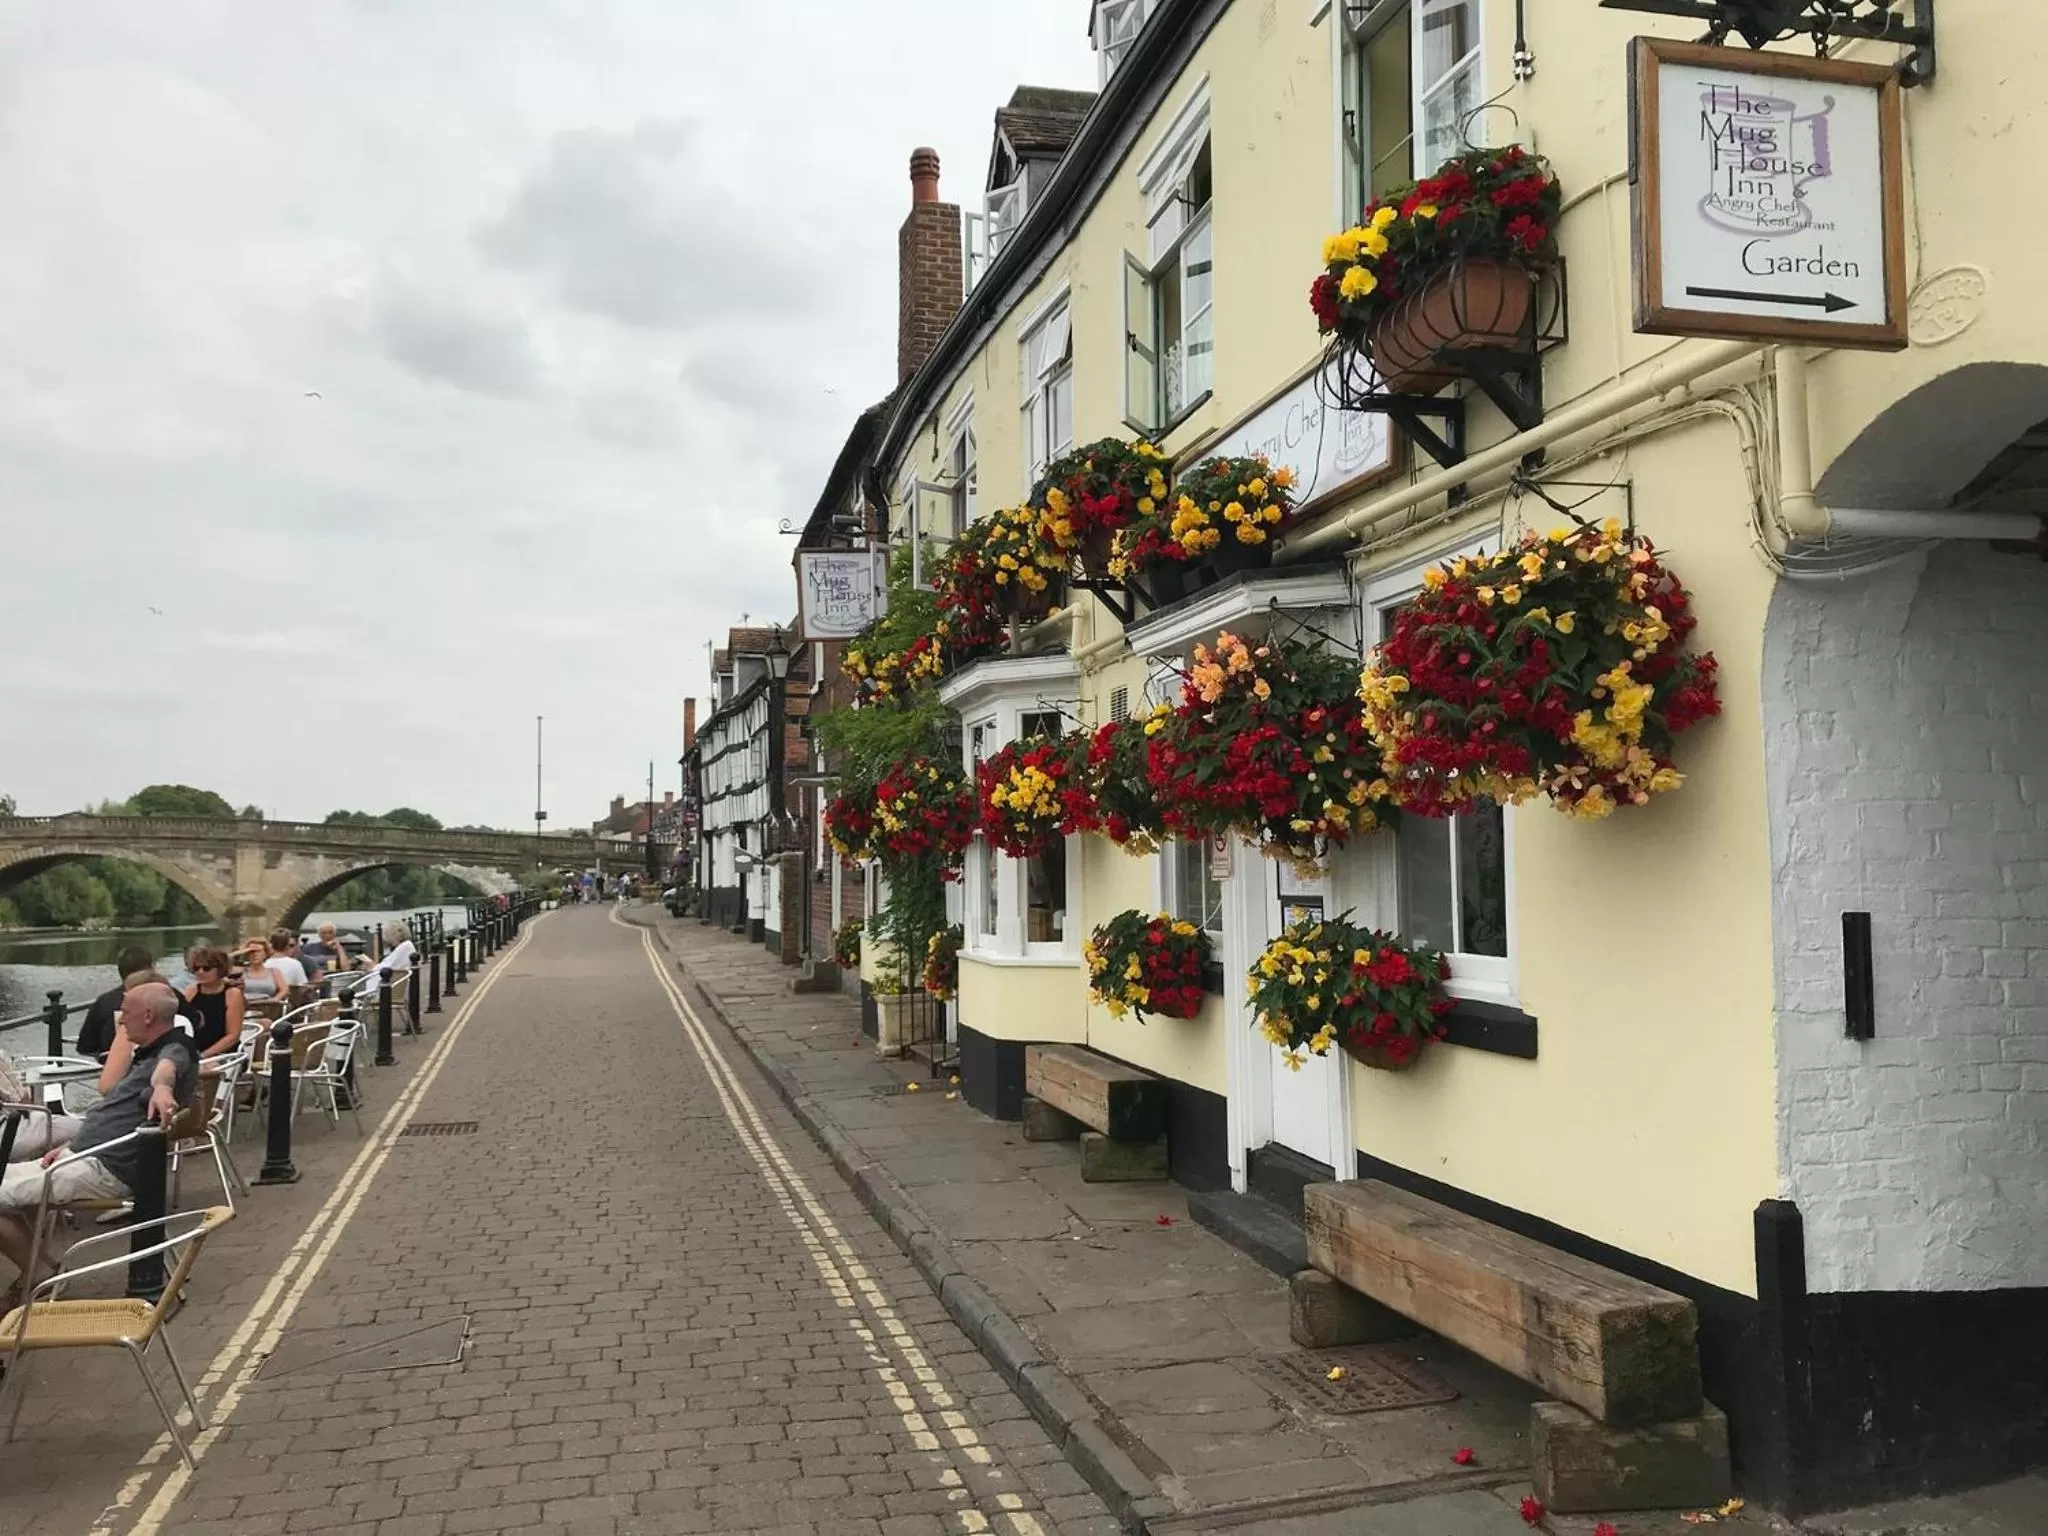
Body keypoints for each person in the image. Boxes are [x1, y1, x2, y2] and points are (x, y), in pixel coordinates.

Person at [0, 980, 198, 1298]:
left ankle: (40, 1274)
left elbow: (167, 1069)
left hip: (106, 1168)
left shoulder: (175, 1048)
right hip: (85, 1157)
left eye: (126, 1013)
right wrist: (68, 1147)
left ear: (148, 1016)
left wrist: (162, 1088)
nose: (120, 1020)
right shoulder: (150, 1050)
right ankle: (42, 1270)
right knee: (8, 1186)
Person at [74, 944, 155, 1061]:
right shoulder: (169, 998)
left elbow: (86, 1047)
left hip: (109, 1066)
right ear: (151, 968)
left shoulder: (104, 1002)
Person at [179, 945, 244, 1059]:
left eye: (206, 968)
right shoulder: (191, 991)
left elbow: (233, 1036)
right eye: (196, 968)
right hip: (193, 1051)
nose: (200, 972)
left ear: (220, 969)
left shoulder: (232, 994)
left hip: (223, 1054)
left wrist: (203, 1056)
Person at [351, 920, 416, 999]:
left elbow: (384, 969)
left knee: (356, 986)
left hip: (388, 988)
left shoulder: (403, 948)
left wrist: (370, 964)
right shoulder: (406, 946)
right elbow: (391, 965)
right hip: (397, 985)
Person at [263, 928, 310, 995]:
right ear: (287, 946)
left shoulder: (265, 964)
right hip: (290, 1001)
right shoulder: (295, 964)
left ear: (271, 945)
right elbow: (303, 986)